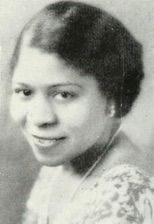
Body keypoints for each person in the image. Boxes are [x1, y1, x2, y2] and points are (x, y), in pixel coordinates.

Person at [10, 1, 154, 223]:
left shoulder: (124, 198)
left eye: (64, 95)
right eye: (24, 91)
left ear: (113, 98)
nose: (40, 118)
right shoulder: (64, 161)